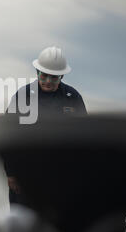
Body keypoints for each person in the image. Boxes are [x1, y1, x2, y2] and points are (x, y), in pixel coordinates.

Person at [5, 46, 87, 203]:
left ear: (62, 76)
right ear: (37, 72)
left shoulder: (73, 98)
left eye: (54, 77)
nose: (48, 82)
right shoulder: (23, 96)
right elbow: (9, 135)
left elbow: (84, 137)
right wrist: (11, 174)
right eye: (44, 76)